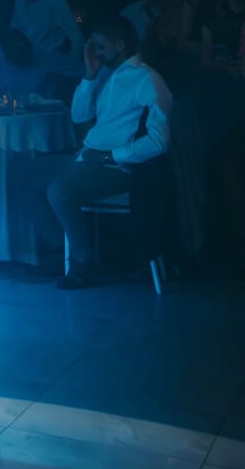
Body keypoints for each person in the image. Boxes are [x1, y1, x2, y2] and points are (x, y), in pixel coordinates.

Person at [47, 16, 172, 289]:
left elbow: (159, 141)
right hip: (87, 158)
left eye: (100, 47)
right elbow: (79, 115)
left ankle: (83, 261)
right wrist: (89, 74)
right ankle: (55, 249)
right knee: (17, 173)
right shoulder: (106, 76)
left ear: (119, 45)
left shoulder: (147, 80)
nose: (96, 52)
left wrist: (110, 156)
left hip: (114, 168)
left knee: (59, 192)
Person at [11, 0, 81, 68]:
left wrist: (71, 63)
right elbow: (14, 31)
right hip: (25, 60)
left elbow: (76, 36)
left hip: (51, 60)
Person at [0, 29, 51, 103]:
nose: (18, 51)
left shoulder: (39, 64)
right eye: (15, 48)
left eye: (21, 49)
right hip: (2, 104)